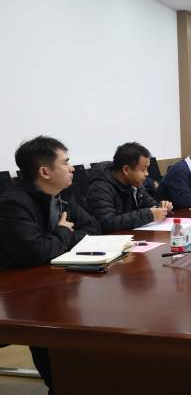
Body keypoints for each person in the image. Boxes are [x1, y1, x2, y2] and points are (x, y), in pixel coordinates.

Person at [0, 136, 101, 393]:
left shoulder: (60, 194)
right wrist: (63, 232)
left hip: (56, 278)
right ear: (45, 171)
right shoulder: (13, 204)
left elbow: (93, 227)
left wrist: (58, 238)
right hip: (22, 293)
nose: (72, 168)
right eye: (65, 162)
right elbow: (36, 252)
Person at [87, 142, 173, 233]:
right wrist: (149, 215)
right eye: (143, 169)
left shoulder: (135, 183)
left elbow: (149, 204)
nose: (147, 174)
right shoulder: (100, 188)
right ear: (126, 170)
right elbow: (107, 223)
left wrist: (161, 207)